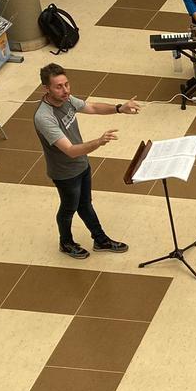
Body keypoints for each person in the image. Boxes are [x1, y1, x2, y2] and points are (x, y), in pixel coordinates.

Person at [33, 63, 134, 260]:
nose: (65, 90)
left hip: (81, 164)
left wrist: (119, 108)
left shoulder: (68, 100)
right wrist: (99, 142)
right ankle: (66, 242)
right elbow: (70, 151)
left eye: (66, 84)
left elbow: (93, 107)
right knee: (69, 208)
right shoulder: (44, 117)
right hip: (65, 172)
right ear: (46, 88)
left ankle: (100, 239)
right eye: (58, 87)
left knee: (85, 204)